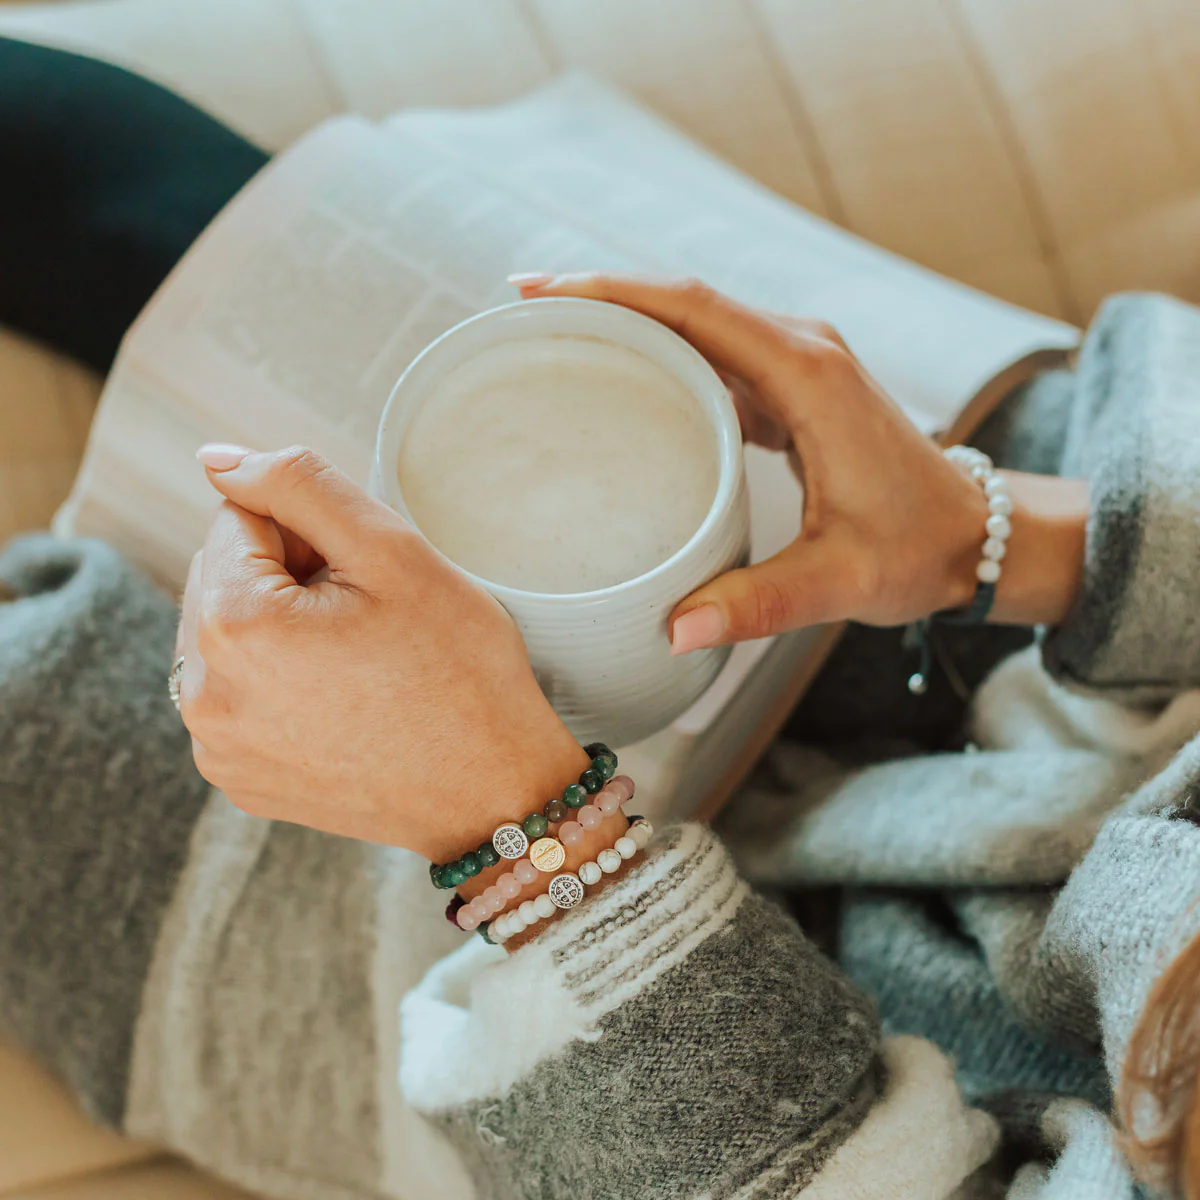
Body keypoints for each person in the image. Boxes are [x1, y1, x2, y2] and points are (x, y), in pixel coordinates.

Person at [0, 36, 1196, 1200]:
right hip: (1036, 622)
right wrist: (1001, 534)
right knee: (95, 171)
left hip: (715, 1075)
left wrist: (530, 852)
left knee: (40, 762)